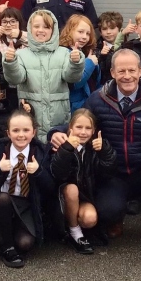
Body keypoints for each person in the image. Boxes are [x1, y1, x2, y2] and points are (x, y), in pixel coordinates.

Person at [50, 49, 141, 253]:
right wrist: (55, 133)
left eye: (132, 70)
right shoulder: (98, 99)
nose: (127, 75)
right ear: (112, 72)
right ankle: (115, 219)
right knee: (107, 212)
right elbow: (79, 122)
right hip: (113, 173)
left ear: (140, 71)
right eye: (121, 70)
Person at [0, 110, 55, 268]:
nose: (21, 135)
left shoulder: (41, 152)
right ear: (8, 133)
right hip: (3, 202)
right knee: (3, 197)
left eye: (26, 130)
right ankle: (7, 246)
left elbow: (51, 188)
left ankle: (13, 232)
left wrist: (39, 172)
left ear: (33, 132)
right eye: (16, 130)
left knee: (25, 244)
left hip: (27, 205)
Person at [3, 10, 85, 142]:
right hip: (30, 118)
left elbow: (72, 78)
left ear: (54, 30)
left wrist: (75, 63)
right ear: (29, 28)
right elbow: (15, 79)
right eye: (36, 26)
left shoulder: (63, 53)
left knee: (56, 153)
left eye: (46, 27)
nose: (41, 30)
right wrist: (10, 62)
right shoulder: (21, 54)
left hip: (59, 118)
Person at [50, 109, 116, 255]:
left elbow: (108, 173)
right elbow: (58, 173)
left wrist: (104, 152)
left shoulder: (96, 146)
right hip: (64, 196)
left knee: (89, 219)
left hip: (85, 196)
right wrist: (66, 149)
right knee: (72, 188)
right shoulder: (62, 145)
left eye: (88, 128)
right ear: (70, 128)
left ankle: (74, 222)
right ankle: (75, 233)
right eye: (79, 127)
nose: (83, 132)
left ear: (94, 131)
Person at [59, 14, 100, 111]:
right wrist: (90, 62)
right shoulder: (63, 52)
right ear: (69, 31)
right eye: (80, 32)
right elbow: (75, 83)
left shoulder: (87, 52)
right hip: (74, 108)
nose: (85, 37)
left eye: (88, 33)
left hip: (90, 105)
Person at [95, 11, 124, 87]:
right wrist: (102, 56)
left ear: (120, 29)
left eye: (112, 28)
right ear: (100, 32)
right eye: (104, 29)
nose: (108, 32)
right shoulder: (96, 48)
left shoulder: (127, 46)